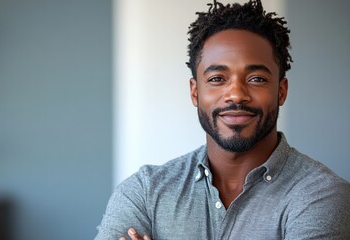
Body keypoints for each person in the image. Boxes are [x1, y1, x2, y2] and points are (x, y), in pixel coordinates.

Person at [95, 0, 350, 239]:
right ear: (195, 92)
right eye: (217, 79)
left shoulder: (322, 195)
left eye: (256, 79)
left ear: (281, 91)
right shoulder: (145, 191)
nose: (237, 94)